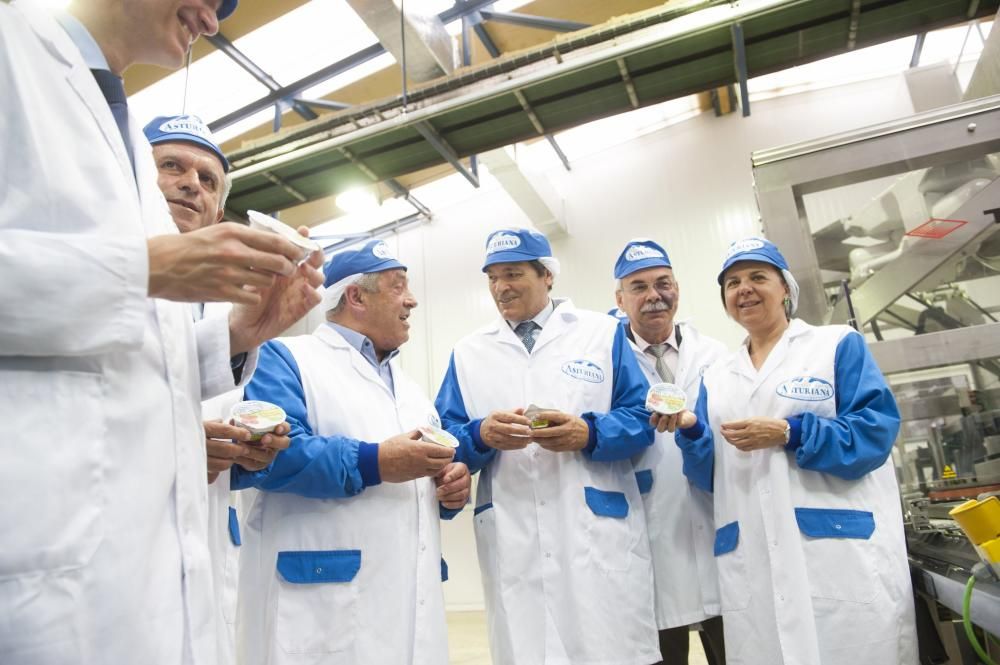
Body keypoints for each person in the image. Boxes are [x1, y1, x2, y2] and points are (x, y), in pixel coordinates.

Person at [0, 2, 324, 663]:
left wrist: (236, 334)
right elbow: (119, 290)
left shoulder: (126, 163)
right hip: (44, 561)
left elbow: (134, 355)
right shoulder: (12, 49)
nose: (215, 17)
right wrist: (144, 267)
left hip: (140, 569)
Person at [654, 237, 917, 665]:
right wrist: (692, 430)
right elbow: (709, 477)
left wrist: (790, 433)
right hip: (753, 561)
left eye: (758, 277)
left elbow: (874, 433)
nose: (744, 289)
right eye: (733, 282)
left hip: (836, 551)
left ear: (786, 289)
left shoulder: (834, 345)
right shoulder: (716, 375)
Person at [232, 239, 472, 665]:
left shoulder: (413, 391)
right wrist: (376, 462)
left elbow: (420, 489)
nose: (412, 300)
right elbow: (271, 456)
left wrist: (449, 489)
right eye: (398, 287)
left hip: (407, 604)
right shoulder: (284, 357)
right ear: (356, 296)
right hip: (321, 603)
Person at [436, 227, 660, 665]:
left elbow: (642, 419)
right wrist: (481, 434)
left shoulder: (601, 334)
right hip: (514, 532)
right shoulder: (468, 352)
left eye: (514, 274)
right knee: (529, 649)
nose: (502, 287)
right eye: (493, 277)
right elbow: (445, 438)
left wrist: (588, 434)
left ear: (548, 276)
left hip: (595, 527)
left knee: (609, 647)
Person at [144, 113, 295, 665]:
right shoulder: (101, 272)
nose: (192, 184)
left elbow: (216, 417)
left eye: (208, 180)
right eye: (172, 167)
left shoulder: (225, 307)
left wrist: (252, 452)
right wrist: (179, 442)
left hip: (206, 532)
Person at [613, 239, 727, 665]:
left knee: (734, 648)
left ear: (677, 288)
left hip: (714, 522)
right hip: (647, 530)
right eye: (638, 287)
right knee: (661, 653)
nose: (653, 295)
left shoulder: (715, 355)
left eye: (663, 283)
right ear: (620, 298)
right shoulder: (606, 361)